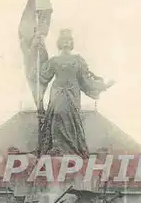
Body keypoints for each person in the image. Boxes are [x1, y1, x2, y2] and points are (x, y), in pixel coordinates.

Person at [35, 29, 115, 157]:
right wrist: (39, 51)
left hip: (73, 92)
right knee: (58, 116)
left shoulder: (78, 60)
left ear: (72, 43)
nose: (66, 43)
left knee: (72, 118)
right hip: (58, 92)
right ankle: (57, 147)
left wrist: (103, 86)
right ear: (59, 43)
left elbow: (86, 80)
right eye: (63, 40)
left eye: (68, 40)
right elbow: (43, 77)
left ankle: (72, 149)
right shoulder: (54, 61)